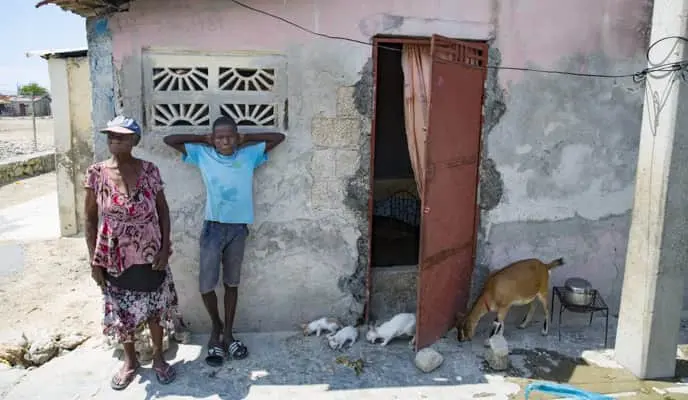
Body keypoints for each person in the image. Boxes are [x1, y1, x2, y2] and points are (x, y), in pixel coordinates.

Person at [163, 116, 284, 367]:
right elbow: (170, 139)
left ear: (237, 137)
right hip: (213, 228)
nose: (225, 141)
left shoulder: (248, 155)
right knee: (206, 285)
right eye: (219, 137)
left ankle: (227, 334)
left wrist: (247, 138)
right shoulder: (203, 154)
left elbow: (279, 138)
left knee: (232, 283)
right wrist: (203, 139)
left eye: (230, 136)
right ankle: (216, 328)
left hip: (238, 230)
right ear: (213, 139)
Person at [84, 115, 179, 390]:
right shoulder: (96, 173)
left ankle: (159, 358)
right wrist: (94, 261)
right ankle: (130, 361)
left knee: (155, 308)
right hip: (115, 256)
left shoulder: (150, 170)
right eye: (111, 135)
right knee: (122, 310)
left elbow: (163, 211)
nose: (115, 139)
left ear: (134, 140)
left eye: (122, 136)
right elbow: (90, 219)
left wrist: (164, 248)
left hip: (151, 254)